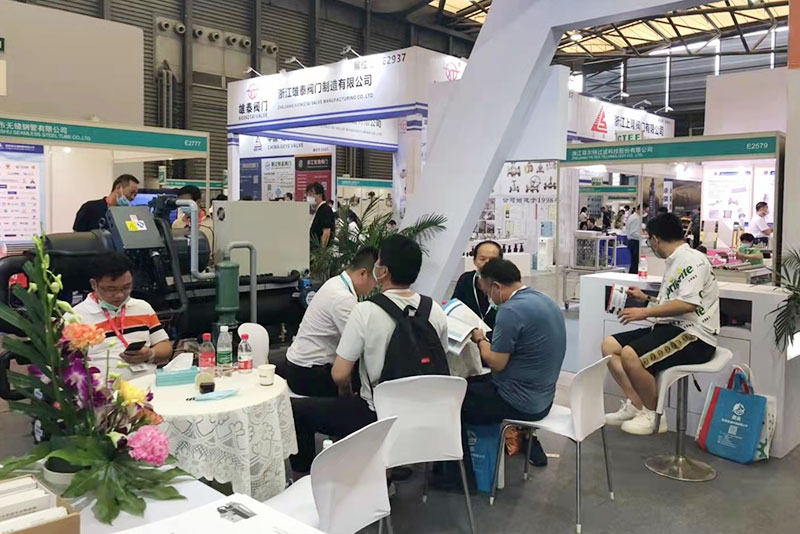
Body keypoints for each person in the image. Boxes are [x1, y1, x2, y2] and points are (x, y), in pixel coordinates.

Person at [289, 235, 448, 474]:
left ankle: (305, 480)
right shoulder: (435, 310)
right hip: (423, 413)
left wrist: (346, 394)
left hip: (375, 415)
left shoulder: (365, 312)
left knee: (297, 411)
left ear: (382, 271)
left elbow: (340, 374)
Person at [603, 214, 719, 435]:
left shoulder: (691, 260)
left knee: (630, 354)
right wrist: (646, 298)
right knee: (609, 346)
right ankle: (636, 404)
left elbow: (687, 304)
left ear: (655, 239)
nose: (650, 244)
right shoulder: (675, 260)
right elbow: (675, 301)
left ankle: (654, 414)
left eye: (649, 240)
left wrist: (644, 311)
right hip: (671, 327)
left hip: (694, 336)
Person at [466, 258, 566, 470]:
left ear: (496, 286)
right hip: (543, 396)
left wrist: (480, 340)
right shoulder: (544, 300)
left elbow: (497, 363)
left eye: (487, 292)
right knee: (470, 384)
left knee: (454, 399)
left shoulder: (510, 311)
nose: (489, 297)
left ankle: (459, 473)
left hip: (520, 402)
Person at [286, 247, 379, 397]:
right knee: (368, 383)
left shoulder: (335, 283)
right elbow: (360, 344)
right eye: (375, 280)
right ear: (363, 273)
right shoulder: (343, 298)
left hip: (299, 366)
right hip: (307, 374)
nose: (376, 285)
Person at [72, 252, 172, 380]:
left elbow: (165, 347)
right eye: (111, 289)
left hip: (148, 382)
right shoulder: (76, 317)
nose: (120, 295)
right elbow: (67, 364)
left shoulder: (142, 307)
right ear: (94, 284)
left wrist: (150, 354)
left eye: (126, 287)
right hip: (103, 387)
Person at [451, 240, 503, 330]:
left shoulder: (506, 283)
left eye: (492, 260)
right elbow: (455, 309)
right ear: (475, 261)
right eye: (482, 259)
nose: (487, 263)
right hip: (468, 333)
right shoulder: (466, 279)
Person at [73, 175, 140, 232]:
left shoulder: (128, 215)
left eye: (135, 195)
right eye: (131, 192)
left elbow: (135, 235)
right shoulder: (89, 208)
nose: (132, 197)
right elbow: (77, 237)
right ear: (118, 188)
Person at [172, 185, 214, 256]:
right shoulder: (177, 224)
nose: (183, 207)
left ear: (198, 202)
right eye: (181, 204)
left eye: (186, 203)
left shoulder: (211, 223)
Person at [307, 182, 335, 248]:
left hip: (319, 249)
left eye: (311, 194)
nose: (309, 197)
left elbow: (326, 232)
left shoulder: (325, 209)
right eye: (307, 194)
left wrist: (322, 250)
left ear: (319, 195)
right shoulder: (317, 210)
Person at [625, 205, 642, 275]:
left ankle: (632, 275)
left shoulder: (632, 216)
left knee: (633, 262)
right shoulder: (636, 218)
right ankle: (634, 275)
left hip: (631, 241)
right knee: (635, 262)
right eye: (645, 211)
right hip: (635, 241)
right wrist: (643, 236)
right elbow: (633, 233)